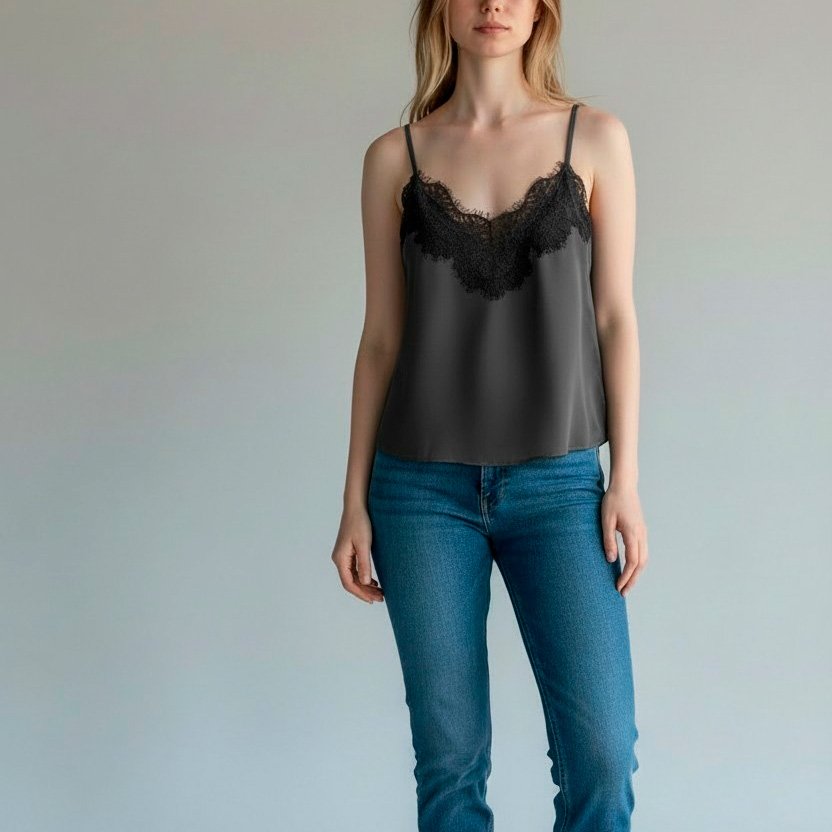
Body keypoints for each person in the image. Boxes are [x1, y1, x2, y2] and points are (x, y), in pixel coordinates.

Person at [330, 1, 648, 829]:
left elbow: (616, 319)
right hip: (418, 493)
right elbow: (380, 340)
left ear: (542, 11)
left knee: (602, 755)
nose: (493, 5)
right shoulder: (393, 158)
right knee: (450, 765)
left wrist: (626, 481)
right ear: (441, 9)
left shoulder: (595, 139)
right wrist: (353, 500)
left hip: (562, 487)